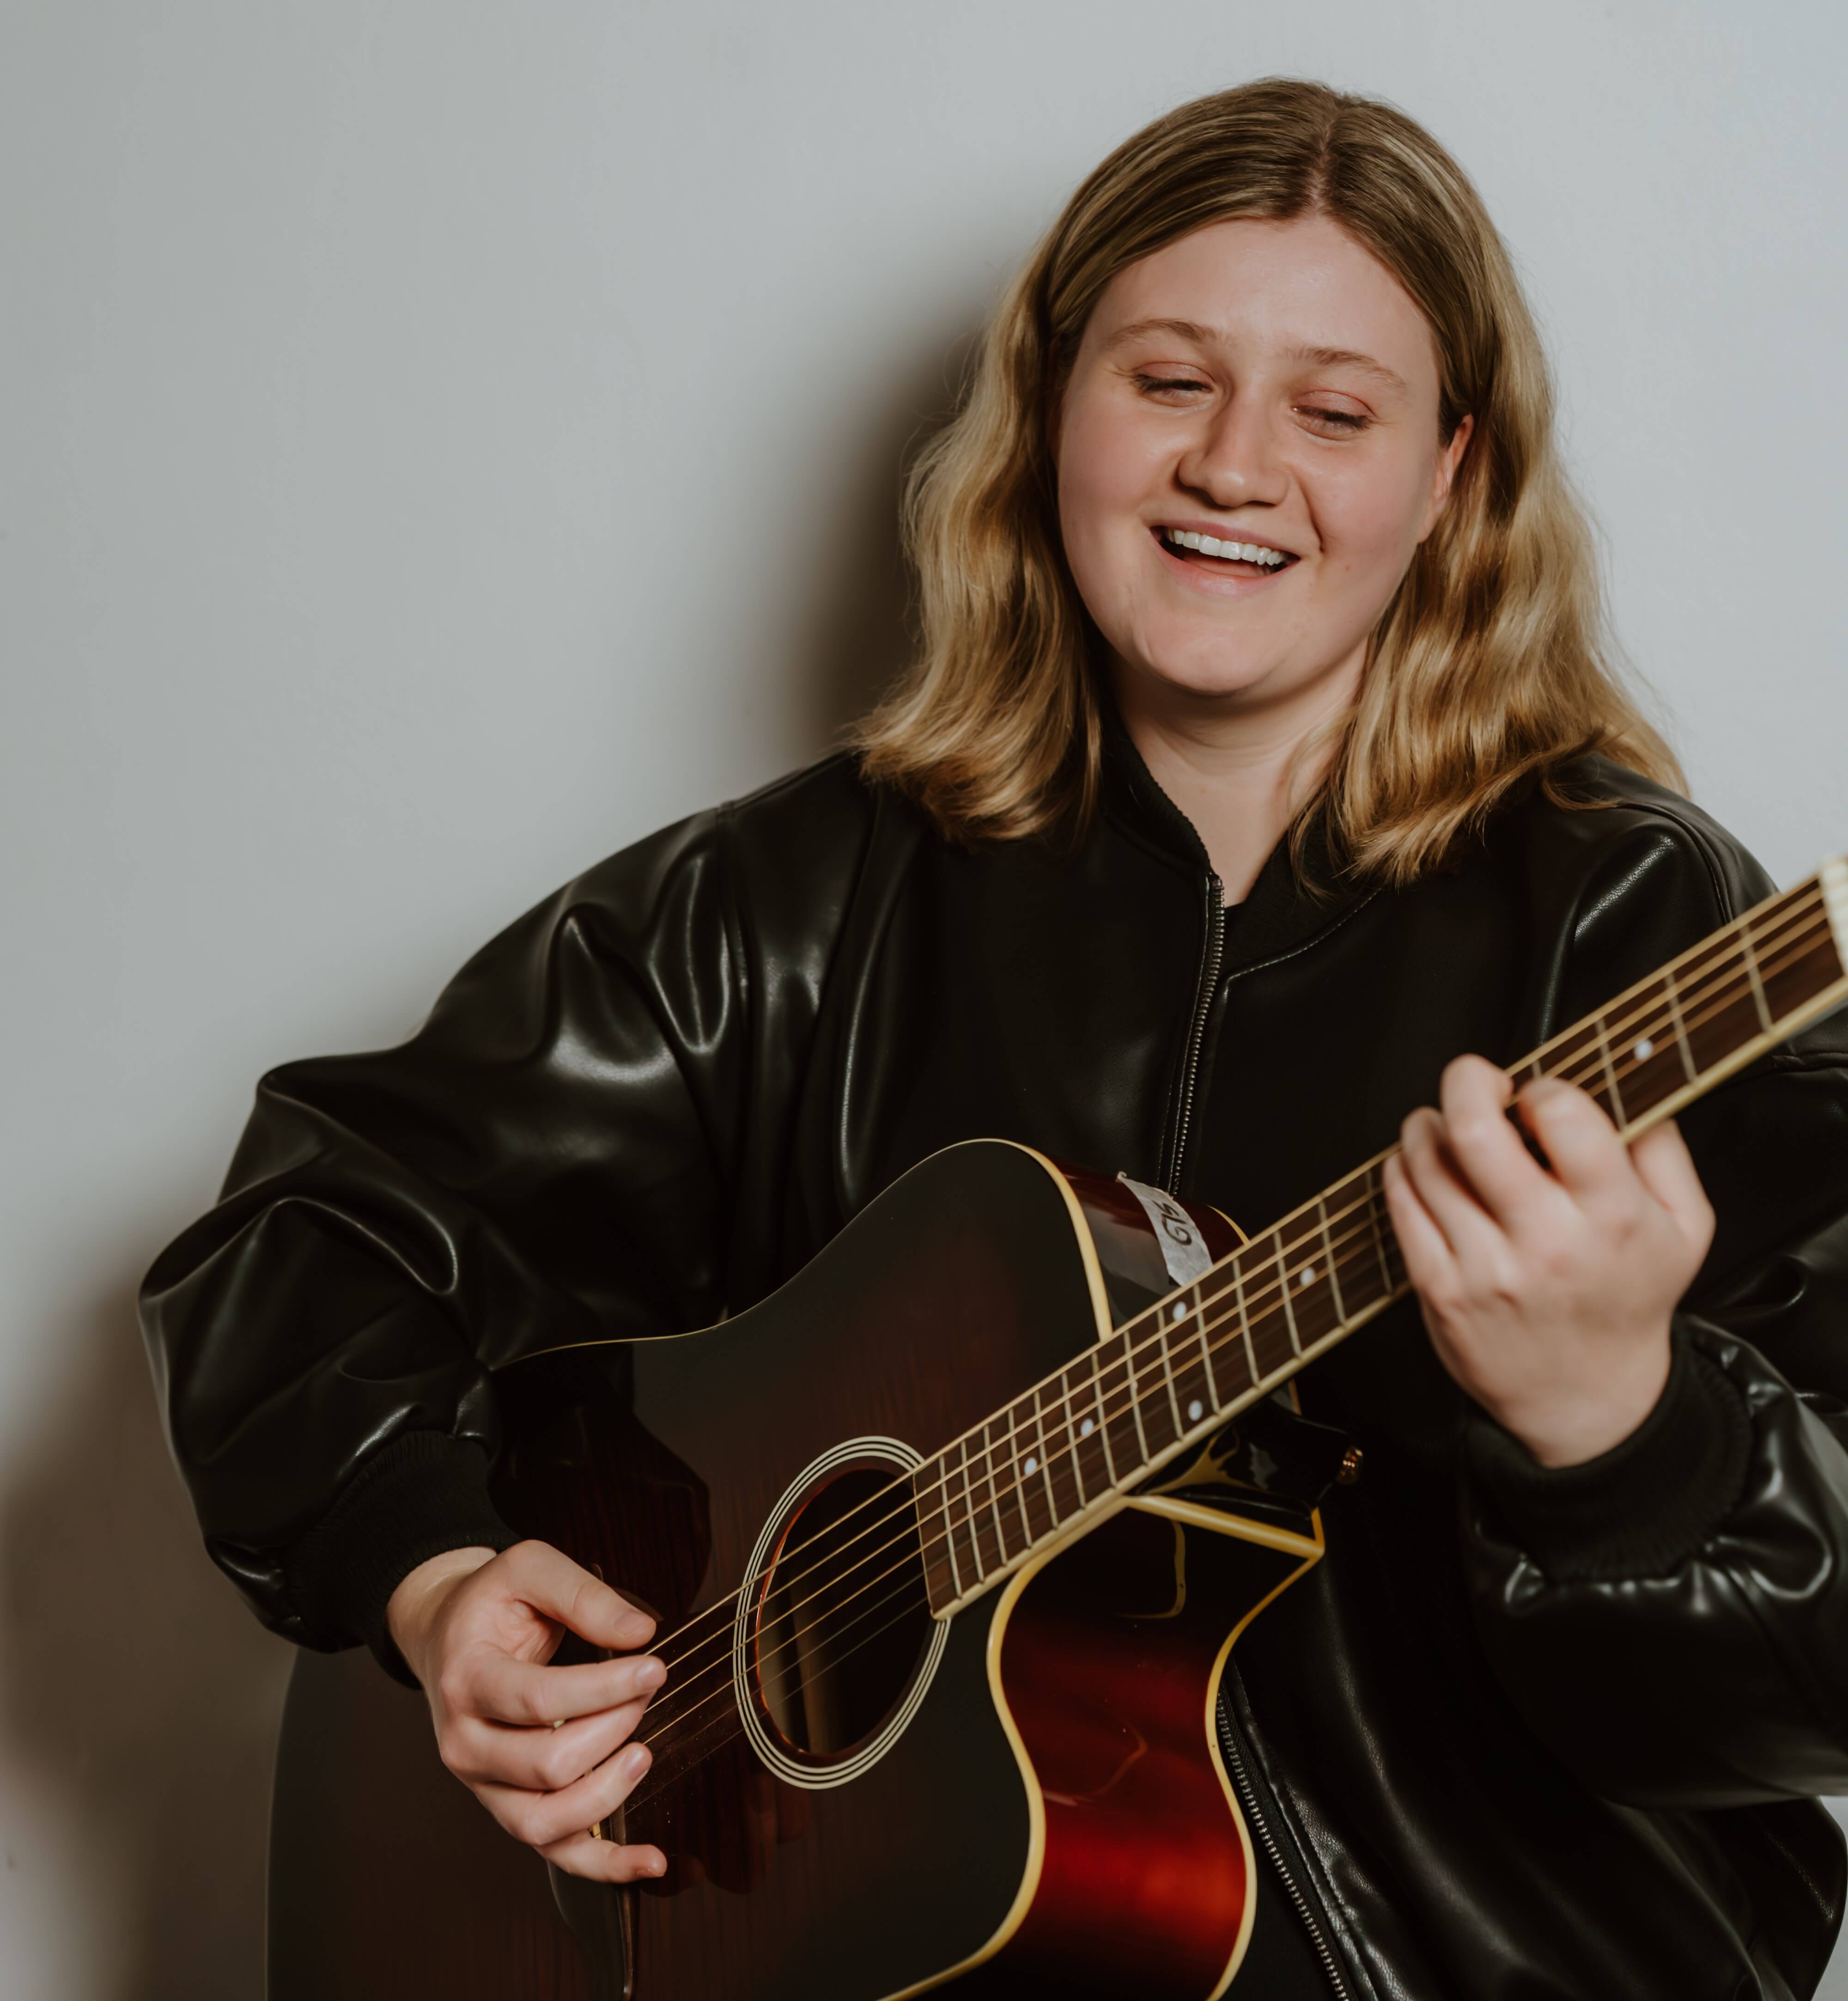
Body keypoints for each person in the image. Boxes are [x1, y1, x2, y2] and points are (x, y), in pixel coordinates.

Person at [141, 77, 1848, 1997]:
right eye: (1169, 379)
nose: (1236, 466)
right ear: (1050, 405)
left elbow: (1807, 1699)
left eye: (1336, 410)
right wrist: (434, 1573)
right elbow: (309, 1240)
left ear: (1452, 473)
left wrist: (1617, 1429)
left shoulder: (1642, 945)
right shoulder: (788, 911)